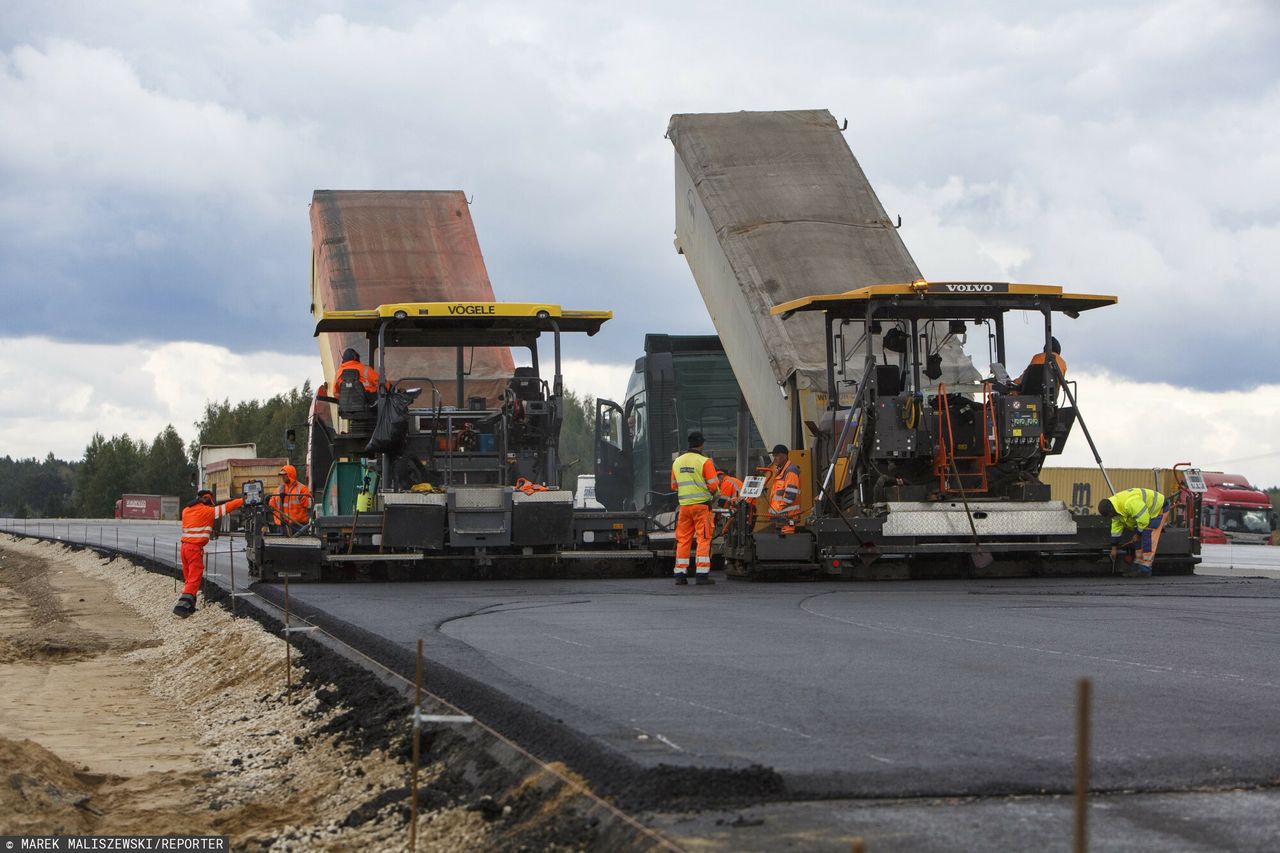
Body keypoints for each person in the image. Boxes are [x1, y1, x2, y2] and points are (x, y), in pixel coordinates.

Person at [174, 489, 245, 617]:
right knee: (194, 577)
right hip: (194, 549)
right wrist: (243, 500)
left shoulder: (186, 510)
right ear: (207, 500)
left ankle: (190, 606)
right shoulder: (206, 511)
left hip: (184, 548)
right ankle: (182, 606)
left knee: (189, 578)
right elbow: (227, 507)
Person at [670, 431, 720, 586]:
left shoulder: (677, 462)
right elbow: (714, 485)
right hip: (701, 507)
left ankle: (680, 575)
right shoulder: (705, 462)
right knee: (703, 539)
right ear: (701, 444)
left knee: (683, 540)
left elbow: (673, 486)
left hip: (684, 507)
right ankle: (701, 575)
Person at [1099, 487, 1170, 577]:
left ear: (1111, 510)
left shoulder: (1129, 503)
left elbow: (1144, 520)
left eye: (1110, 515)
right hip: (1144, 515)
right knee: (1137, 539)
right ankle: (1138, 566)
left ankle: (1145, 570)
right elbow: (1116, 529)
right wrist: (1114, 548)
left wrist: (1138, 534)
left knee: (1147, 537)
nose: (1110, 517)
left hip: (1158, 509)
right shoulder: (1115, 508)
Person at [767, 444, 802, 534]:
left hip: (787, 517)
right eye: (774, 456)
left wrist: (778, 511)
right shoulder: (781, 472)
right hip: (781, 518)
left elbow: (790, 496)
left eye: (777, 455)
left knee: (787, 540)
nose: (774, 458)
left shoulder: (790, 471)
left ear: (785, 456)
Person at [269, 464, 311, 528]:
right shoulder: (278, 490)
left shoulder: (302, 489)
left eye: (285, 474)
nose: (283, 477)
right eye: (281, 475)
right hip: (282, 526)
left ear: (290, 474)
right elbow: (272, 507)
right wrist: (279, 520)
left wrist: (302, 498)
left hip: (299, 525)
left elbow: (309, 505)